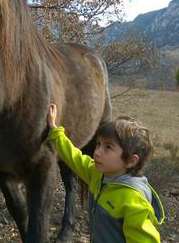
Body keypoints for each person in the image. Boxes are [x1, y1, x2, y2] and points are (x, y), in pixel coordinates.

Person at [47, 103, 165, 243]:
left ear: (130, 161)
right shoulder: (98, 175)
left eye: (108, 147)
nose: (97, 152)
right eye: (98, 144)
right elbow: (74, 158)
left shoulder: (134, 202)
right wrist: (55, 130)